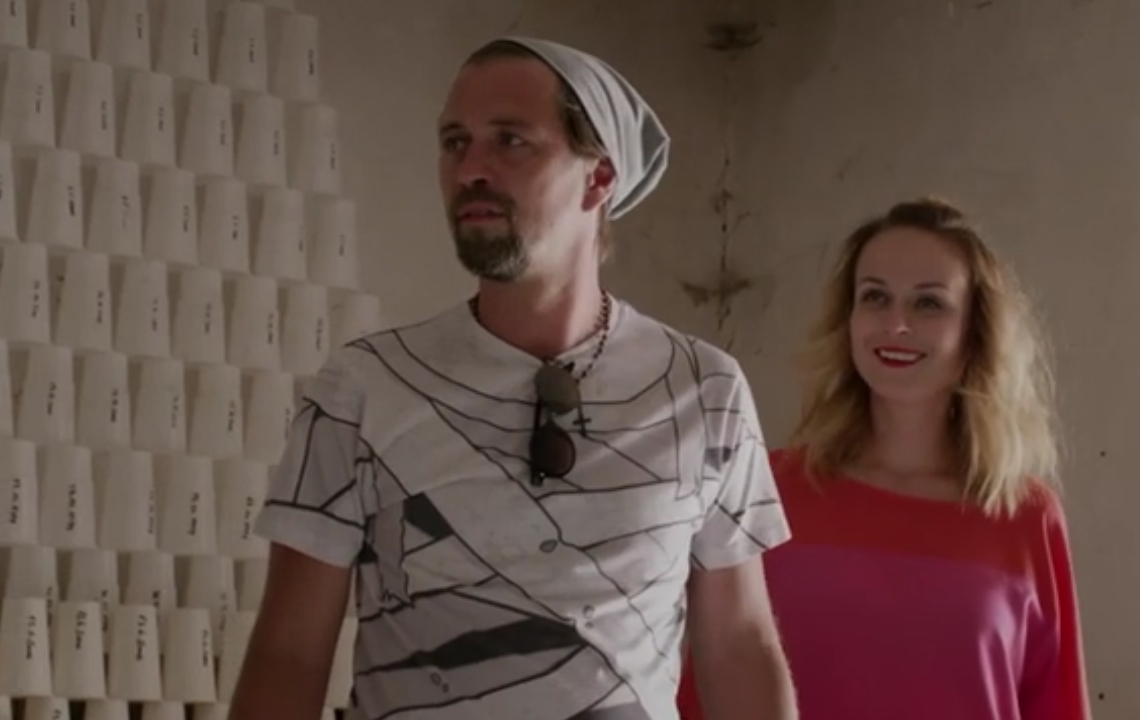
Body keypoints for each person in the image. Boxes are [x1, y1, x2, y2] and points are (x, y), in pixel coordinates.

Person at [228, 36, 797, 720]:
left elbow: (738, 645)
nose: (471, 168)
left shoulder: (704, 389)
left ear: (599, 177)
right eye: (455, 142)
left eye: (510, 140)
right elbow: (289, 653)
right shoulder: (363, 389)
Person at [677, 197, 1091, 719]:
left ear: (975, 331)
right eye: (875, 297)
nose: (895, 323)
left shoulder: (1027, 515)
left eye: (928, 303)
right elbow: (709, 688)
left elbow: (1057, 705)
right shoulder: (768, 489)